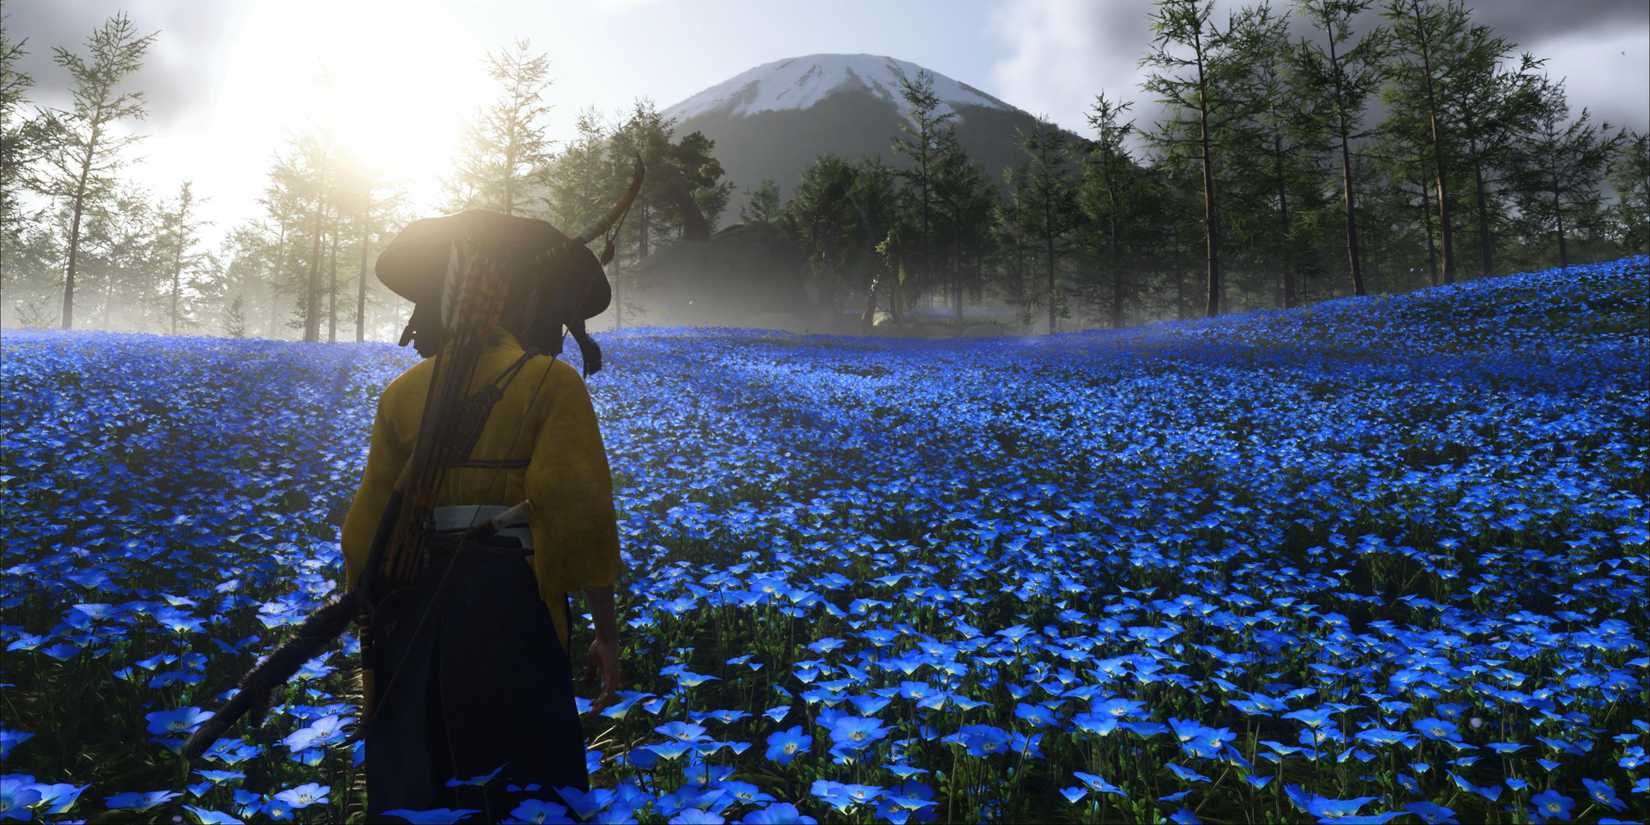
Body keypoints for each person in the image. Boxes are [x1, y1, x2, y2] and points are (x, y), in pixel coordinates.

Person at [339, 174, 639, 818]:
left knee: (420, 784)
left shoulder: (404, 393)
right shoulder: (550, 385)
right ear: (537, 306)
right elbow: (577, 510)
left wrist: (372, 630)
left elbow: (365, 527)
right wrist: (606, 633)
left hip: (410, 613)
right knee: (521, 787)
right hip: (512, 614)